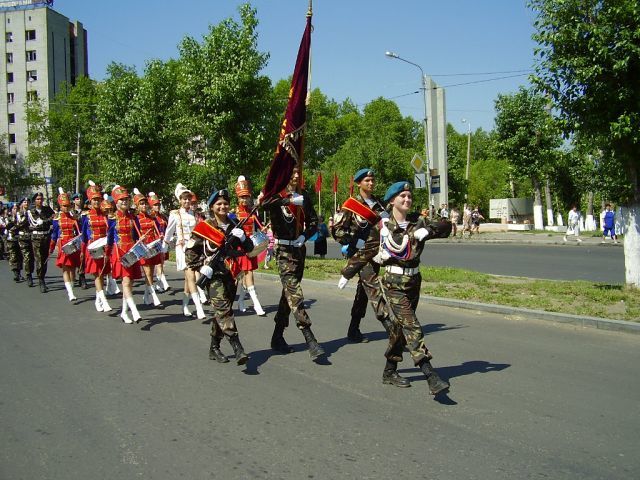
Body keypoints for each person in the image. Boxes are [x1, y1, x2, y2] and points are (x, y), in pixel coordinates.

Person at [374, 181, 451, 395]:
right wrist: (349, 272)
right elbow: (366, 251)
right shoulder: (382, 226)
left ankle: (389, 371)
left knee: (401, 328)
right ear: (392, 201)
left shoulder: (418, 221)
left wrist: (428, 230)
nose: (407, 199)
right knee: (412, 326)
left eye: (409, 196)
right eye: (402, 197)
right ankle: (430, 374)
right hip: (393, 283)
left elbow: (447, 227)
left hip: (414, 280)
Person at [261, 166, 325, 359]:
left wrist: (305, 235)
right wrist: (288, 200)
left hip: (299, 249)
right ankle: (310, 338)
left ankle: (277, 336)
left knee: (287, 295)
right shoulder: (276, 195)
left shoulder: (304, 195)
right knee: (295, 294)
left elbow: (314, 222)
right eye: (292, 172)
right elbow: (263, 204)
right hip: (283, 251)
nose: (296, 175)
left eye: (298, 172)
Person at [186, 187, 254, 365]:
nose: (223, 206)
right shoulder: (204, 227)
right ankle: (237, 347)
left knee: (221, 313)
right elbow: (190, 253)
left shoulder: (235, 225)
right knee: (224, 311)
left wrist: (243, 238)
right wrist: (201, 267)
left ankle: (214, 347)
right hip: (213, 275)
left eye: (225, 203)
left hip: (231, 274)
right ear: (211, 207)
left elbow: (248, 249)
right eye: (218, 204)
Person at [332, 168, 394, 345]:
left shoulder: (380, 205)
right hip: (359, 254)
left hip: (376, 253)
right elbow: (337, 231)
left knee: (364, 291)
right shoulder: (351, 205)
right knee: (373, 286)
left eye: (372, 180)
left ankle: (353, 329)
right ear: (359, 183)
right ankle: (392, 330)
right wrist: (353, 242)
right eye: (367, 180)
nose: (371, 183)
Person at [163, 183, 206, 319]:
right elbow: (169, 232)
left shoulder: (195, 214)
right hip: (182, 249)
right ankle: (198, 307)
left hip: (194, 248)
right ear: (179, 200)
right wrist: (165, 245)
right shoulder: (175, 214)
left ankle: (185, 305)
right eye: (184, 199)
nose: (187, 201)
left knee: (189, 280)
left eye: (188, 198)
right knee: (191, 275)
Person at [106, 185, 144, 324]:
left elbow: (137, 233)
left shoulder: (133, 218)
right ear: (116, 202)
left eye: (126, 200)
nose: (124, 202)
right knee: (126, 281)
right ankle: (134, 311)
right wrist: (107, 253)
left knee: (130, 282)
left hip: (132, 250)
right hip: (120, 251)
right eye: (121, 200)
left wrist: (141, 240)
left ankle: (123, 312)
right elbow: (110, 238)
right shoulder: (112, 218)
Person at [234, 176, 266, 316]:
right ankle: (256, 303)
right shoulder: (234, 213)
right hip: (239, 247)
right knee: (245, 274)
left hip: (251, 245)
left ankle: (241, 301)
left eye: (247, 197)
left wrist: (265, 230)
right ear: (238, 198)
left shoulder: (253, 211)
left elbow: (259, 226)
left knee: (247, 273)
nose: (245, 200)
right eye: (242, 197)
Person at [81, 181, 112, 312]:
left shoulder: (106, 215)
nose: (97, 202)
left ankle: (97, 299)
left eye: (99, 199)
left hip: (104, 247)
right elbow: (83, 235)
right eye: (94, 200)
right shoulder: (86, 216)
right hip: (93, 247)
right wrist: (83, 252)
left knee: (103, 274)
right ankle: (104, 300)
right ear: (90, 201)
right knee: (97, 274)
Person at [50, 189, 82, 302]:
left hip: (73, 243)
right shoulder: (57, 219)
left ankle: (71, 287)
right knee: (65, 268)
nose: (66, 208)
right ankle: (70, 292)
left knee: (73, 268)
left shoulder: (74, 217)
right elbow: (54, 235)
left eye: (68, 205)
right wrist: (51, 247)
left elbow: (79, 232)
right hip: (63, 243)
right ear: (60, 206)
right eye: (64, 206)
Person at [133, 188, 163, 308]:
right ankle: (154, 296)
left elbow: (157, 229)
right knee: (147, 271)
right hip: (142, 247)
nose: (144, 205)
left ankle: (146, 296)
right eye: (141, 203)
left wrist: (159, 235)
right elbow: (134, 234)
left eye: (145, 203)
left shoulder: (152, 218)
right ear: (137, 206)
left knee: (150, 272)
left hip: (152, 246)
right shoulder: (136, 219)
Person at [27, 192, 54, 292]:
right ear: (34, 200)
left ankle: (42, 276)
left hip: (46, 236)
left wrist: (47, 220)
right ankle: (41, 279)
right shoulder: (31, 211)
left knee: (45, 258)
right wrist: (48, 220)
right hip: (36, 237)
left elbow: (54, 217)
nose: (40, 200)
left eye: (41, 199)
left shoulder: (47, 209)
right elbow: (37, 223)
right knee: (39, 259)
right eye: (38, 199)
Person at [148, 192, 171, 292]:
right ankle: (163, 282)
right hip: (155, 242)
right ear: (151, 206)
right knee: (157, 263)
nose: (157, 206)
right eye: (155, 205)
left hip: (163, 242)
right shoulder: (150, 217)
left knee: (161, 262)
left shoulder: (163, 216)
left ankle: (158, 283)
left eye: (158, 204)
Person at [70, 193, 89, 289]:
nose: (79, 200)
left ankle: (82, 277)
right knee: (74, 258)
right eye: (77, 199)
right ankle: (72, 278)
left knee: (82, 258)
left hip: (83, 237)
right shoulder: (70, 213)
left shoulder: (85, 212)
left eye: (80, 199)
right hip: (74, 237)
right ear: (73, 201)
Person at [15, 197, 35, 287]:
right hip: (23, 238)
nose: (26, 203)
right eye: (25, 202)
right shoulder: (19, 213)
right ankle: (28, 275)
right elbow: (20, 224)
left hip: (33, 237)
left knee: (32, 257)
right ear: (22, 204)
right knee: (26, 257)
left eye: (28, 202)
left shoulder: (33, 212)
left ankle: (30, 271)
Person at [6, 203, 24, 282]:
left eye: (16, 208)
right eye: (13, 208)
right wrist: (15, 224)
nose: (15, 210)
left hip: (20, 239)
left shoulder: (21, 217)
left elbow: (23, 226)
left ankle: (19, 272)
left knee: (20, 256)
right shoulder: (8, 218)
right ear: (11, 210)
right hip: (11, 239)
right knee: (13, 256)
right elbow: (9, 227)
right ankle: (16, 273)